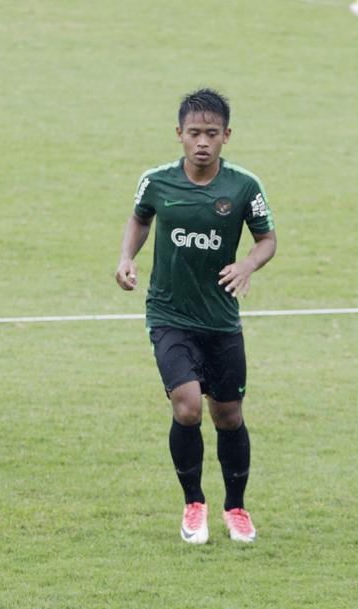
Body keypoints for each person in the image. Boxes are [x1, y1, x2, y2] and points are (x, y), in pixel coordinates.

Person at [115, 88, 276, 545]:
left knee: (228, 416)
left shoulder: (244, 187)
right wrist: (127, 257)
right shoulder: (157, 182)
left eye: (211, 133)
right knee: (187, 408)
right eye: (193, 133)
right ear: (179, 134)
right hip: (169, 314)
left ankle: (236, 508)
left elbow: (267, 240)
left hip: (220, 319)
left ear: (226, 135)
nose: (202, 142)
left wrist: (247, 265)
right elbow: (140, 218)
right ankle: (194, 503)